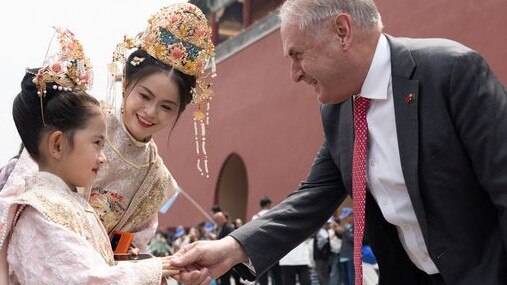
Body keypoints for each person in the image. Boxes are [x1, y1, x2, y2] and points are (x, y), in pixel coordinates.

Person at [170, 0, 507, 284]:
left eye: (297, 54)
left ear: (342, 32)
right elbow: (312, 197)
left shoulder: (451, 72)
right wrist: (230, 249)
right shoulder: (340, 112)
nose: (295, 73)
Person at [0, 27, 176, 284]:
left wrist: (151, 267)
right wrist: (156, 269)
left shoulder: (69, 204)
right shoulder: (41, 213)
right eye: (97, 143)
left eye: (167, 106)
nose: (151, 111)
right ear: (57, 145)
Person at [86, 2, 216, 252]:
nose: (150, 112)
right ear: (125, 84)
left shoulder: (157, 180)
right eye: (145, 96)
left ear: (179, 111)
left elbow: (133, 243)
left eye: (166, 107)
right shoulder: (81, 122)